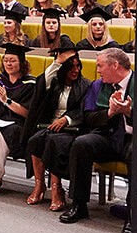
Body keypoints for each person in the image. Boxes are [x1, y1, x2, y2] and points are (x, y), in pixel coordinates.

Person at [59, 49, 134, 225]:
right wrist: (110, 112)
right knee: (81, 144)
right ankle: (79, 204)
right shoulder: (97, 85)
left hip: (132, 139)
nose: (98, 70)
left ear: (115, 65)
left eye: (100, 65)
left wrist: (128, 111)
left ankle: (133, 214)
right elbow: (89, 118)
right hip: (107, 137)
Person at [24, 42, 90, 211]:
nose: (75, 70)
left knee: (52, 142)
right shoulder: (54, 83)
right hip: (50, 127)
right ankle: (39, 185)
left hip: (72, 130)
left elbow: (84, 110)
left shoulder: (85, 85)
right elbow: (41, 84)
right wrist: (57, 62)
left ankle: (56, 188)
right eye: (70, 67)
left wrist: (67, 119)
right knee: (34, 140)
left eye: (77, 66)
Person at [0, 44, 42, 193]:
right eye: (6, 60)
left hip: (19, 125)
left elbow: (28, 114)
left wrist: (7, 101)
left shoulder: (30, 84)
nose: (8, 64)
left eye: (13, 61)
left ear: (22, 63)